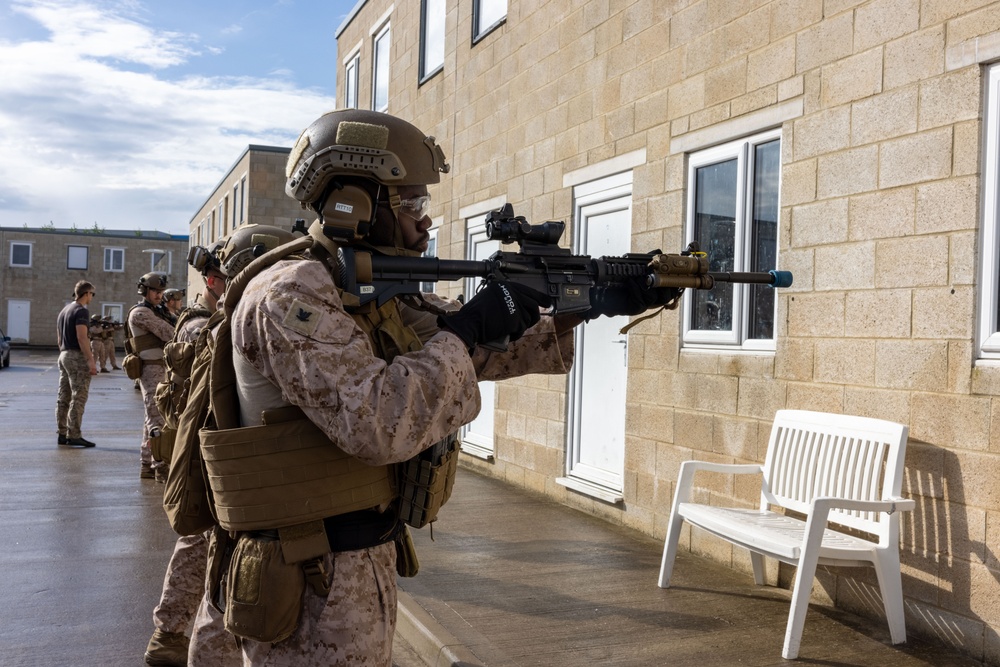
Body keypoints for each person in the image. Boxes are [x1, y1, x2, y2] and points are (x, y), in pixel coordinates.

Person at [186, 109, 676, 666]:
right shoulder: (290, 295)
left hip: (348, 564)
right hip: (306, 576)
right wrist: (470, 327)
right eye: (413, 205)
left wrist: (590, 303)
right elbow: (378, 421)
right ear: (357, 204)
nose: (424, 223)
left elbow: (473, 351)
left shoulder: (365, 289)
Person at [145, 238, 251, 667]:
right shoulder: (200, 324)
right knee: (202, 550)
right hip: (199, 458)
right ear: (213, 279)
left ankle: (170, 637)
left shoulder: (203, 316)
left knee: (201, 547)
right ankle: (171, 636)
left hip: (203, 451)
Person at [126, 272, 176, 479]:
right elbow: (170, 333)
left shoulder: (158, 310)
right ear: (145, 290)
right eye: (155, 291)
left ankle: (147, 463)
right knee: (158, 420)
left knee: (151, 417)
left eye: (161, 291)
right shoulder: (141, 313)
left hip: (161, 367)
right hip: (150, 369)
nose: (158, 295)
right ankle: (160, 467)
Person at [55, 281, 98, 447]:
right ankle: (74, 434)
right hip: (76, 355)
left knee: (63, 396)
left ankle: (62, 432)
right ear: (86, 293)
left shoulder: (64, 310)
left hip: (64, 354)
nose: (92, 297)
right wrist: (90, 359)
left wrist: (64, 353)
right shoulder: (81, 311)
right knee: (79, 395)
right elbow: (82, 337)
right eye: (92, 294)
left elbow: (59, 338)